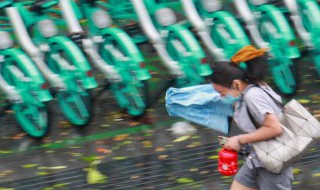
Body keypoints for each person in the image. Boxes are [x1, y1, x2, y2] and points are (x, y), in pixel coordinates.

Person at [209, 45, 293, 190]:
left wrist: (240, 139)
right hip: (256, 159)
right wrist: (239, 143)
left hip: (272, 163)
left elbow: (274, 128)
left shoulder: (253, 96)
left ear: (236, 84)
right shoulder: (249, 89)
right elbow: (259, 126)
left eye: (221, 92)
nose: (220, 96)